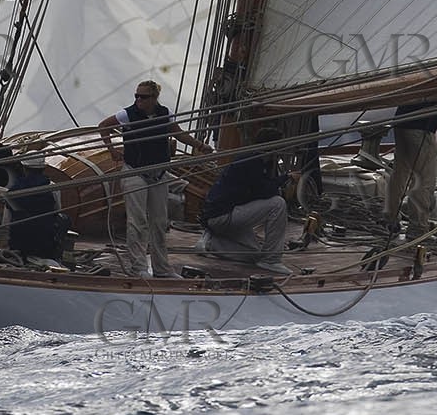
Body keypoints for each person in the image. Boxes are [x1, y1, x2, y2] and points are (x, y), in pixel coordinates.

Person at [97, 80, 212, 278]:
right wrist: (112, 150)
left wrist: (200, 145)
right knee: (137, 222)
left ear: (154, 98)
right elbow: (104, 126)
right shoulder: (127, 114)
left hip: (158, 173)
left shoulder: (165, 114)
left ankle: (162, 268)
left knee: (159, 222)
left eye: (143, 97)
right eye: (136, 96)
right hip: (135, 172)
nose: (138, 100)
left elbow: (179, 134)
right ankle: (139, 267)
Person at [199, 128, 292, 274]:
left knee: (254, 255)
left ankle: (211, 243)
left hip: (225, 215)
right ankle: (271, 260)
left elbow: (262, 189)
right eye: (280, 146)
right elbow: (263, 191)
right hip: (223, 215)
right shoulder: (252, 161)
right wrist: (286, 179)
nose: (283, 150)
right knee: (278, 204)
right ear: (271, 146)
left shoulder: (263, 161)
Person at [385, 100, 437, 238]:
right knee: (423, 179)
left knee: (400, 173)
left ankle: (390, 218)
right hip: (421, 129)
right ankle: (417, 229)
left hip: (402, 123)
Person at [6, 151, 65, 260]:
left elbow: (7, 220)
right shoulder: (52, 187)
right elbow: (57, 210)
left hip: (18, 240)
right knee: (64, 219)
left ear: (24, 168)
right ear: (44, 168)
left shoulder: (14, 189)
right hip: (44, 241)